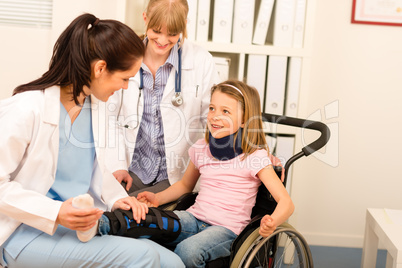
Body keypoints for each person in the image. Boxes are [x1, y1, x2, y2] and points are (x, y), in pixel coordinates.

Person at [0, 13, 184, 268]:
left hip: (76, 226)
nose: (126, 87)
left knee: (173, 262)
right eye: (124, 79)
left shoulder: (93, 107)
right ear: (100, 68)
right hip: (23, 232)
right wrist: (56, 212)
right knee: (145, 257)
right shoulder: (27, 109)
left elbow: (94, 170)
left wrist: (116, 199)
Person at [137, 80, 295, 267]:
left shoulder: (255, 157)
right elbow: (185, 186)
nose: (214, 116)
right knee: (150, 227)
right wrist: (157, 199)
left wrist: (273, 221)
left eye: (225, 111)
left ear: (245, 120)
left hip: (227, 230)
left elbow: (287, 203)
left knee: (188, 251)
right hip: (194, 218)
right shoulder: (202, 148)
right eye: (212, 108)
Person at [106, 0, 221, 196]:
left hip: (176, 175)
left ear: (184, 24)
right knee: (107, 208)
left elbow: (215, 119)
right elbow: (109, 117)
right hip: (130, 170)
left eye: (173, 34)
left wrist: (257, 154)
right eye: (156, 30)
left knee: (139, 214)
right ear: (145, 18)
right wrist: (117, 166)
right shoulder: (123, 56)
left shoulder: (201, 61)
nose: (162, 40)